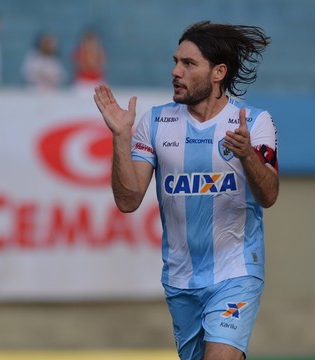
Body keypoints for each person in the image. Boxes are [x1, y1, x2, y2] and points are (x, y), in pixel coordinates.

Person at [93, 20, 278, 360]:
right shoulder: (156, 121)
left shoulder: (253, 122)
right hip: (181, 279)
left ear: (218, 72)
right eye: (175, 61)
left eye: (188, 64)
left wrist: (247, 154)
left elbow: (269, 196)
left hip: (236, 272)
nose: (175, 72)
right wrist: (120, 137)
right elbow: (128, 200)